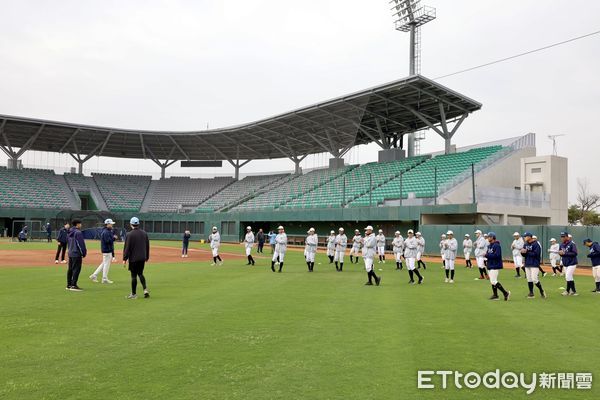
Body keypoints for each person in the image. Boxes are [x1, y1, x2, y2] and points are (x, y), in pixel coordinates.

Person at [123, 217, 150, 299]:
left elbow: (127, 248)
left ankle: (134, 294)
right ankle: (145, 290)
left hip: (133, 259)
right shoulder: (144, 233)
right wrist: (147, 257)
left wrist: (124, 259)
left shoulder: (129, 234)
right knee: (140, 273)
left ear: (131, 224)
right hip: (142, 258)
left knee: (133, 276)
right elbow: (147, 246)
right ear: (138, 224)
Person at [89, 218, 117, 284]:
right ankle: (104, 278)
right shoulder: (106, 232)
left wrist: (112, 238)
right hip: (107, 250)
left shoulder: (106, 231)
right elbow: (108, 241)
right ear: (107, 224)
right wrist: (113, 238)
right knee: (106, 264)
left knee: (104, 263)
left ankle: (94, 275)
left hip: (106, 250)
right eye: (111, 224)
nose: (112, 225)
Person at [485, 232, 511, 301]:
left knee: (493, 281)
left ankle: (505, 293)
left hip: (495, 265)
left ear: (493, 237)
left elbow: (497, 256)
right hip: (490, 265)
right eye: (488, 237)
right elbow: (489, 255)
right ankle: (495, 295)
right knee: (492, 281)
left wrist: (487, 255)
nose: (488, 238)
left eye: (489, 237)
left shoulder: (497, 246)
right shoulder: (489, 246)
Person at [521, 232, 547, 299]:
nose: (524, 238)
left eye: (525, 236)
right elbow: (524, 254)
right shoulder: (525, 244)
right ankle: (531, 293)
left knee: (534, 279)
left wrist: (527, 252)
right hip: (527, 263)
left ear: (530, 237)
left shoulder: (536, 244)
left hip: (534, 263)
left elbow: (536, 254)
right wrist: (522, 252)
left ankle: (541, 290)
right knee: (529, 279)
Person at [66, 219, 87, 291]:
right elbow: (81, 244)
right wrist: (83, 253)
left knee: (70, 269)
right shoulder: (78, 233)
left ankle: (69, 285)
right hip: (76, 253)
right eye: (80, 224)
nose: (81, 225)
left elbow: (68, 243)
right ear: (77, 224)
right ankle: (74, 285)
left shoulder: (69, 232)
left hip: (70, 253)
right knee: (76, 269)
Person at [559, 231, 578, 296]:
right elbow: (561, 253)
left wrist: (565, 253)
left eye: (563, 236)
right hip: (565, 263)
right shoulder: (561, 245)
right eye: (561, 236)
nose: (562, 238)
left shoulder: (572, 244)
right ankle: (573, 291)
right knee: (569, 277)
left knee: (567, 276)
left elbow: (575, 253)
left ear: (567, 237)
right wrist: (560, 254)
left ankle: (567, 291)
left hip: (572, 263)